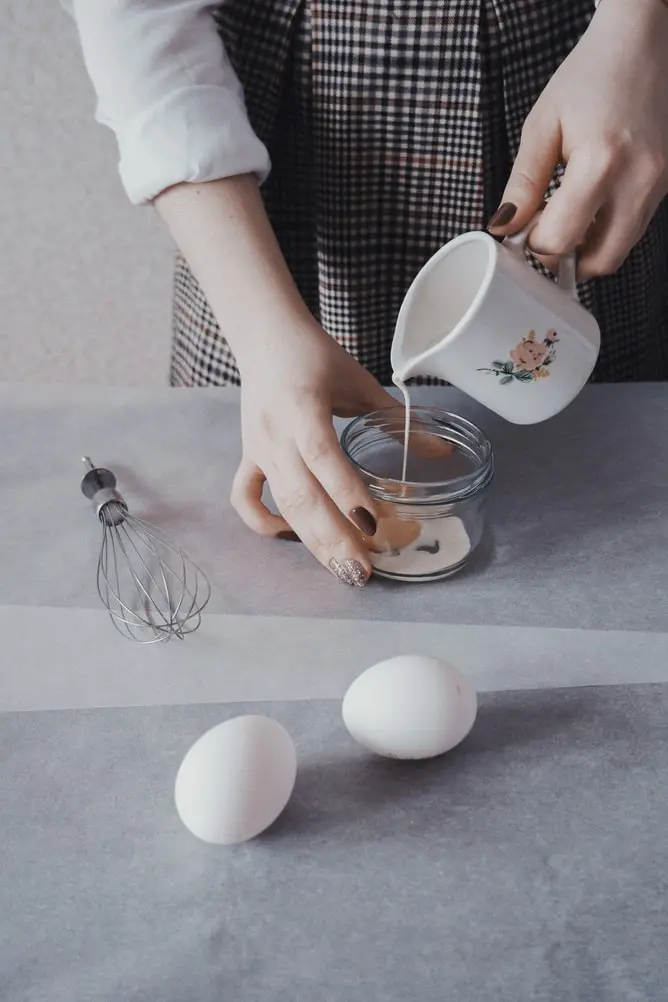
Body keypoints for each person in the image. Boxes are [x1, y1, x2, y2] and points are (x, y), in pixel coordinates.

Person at [65, 0, 668, 587]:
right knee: (278, 427)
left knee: (608, 463)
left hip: (580, 71)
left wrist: (638, 25)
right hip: (261, 169)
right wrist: (263, 334)